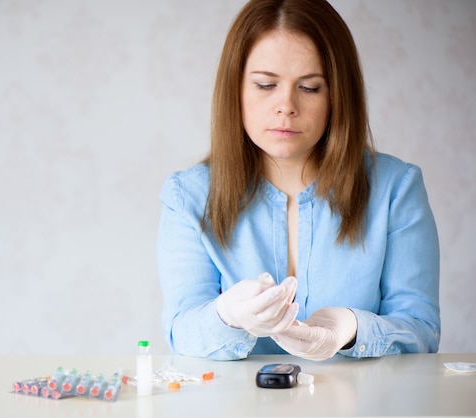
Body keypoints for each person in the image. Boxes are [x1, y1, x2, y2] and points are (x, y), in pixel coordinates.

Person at [156, 0, 440, 361]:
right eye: (265, 84)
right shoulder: (189, 196)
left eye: (309, 88)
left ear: (338, 95)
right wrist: (227, 317)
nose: (286, 105)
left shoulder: (396, 189)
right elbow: (182, 330)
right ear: (236, 90)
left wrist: (352, 329)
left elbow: (422, 329)